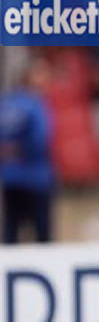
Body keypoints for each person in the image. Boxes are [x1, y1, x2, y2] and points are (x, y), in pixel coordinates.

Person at [0, 59, 55, 244]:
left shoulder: (5, 103)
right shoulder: (35, 105)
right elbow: (40, 140)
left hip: (10, 178)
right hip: (36, 179)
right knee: (42, 238)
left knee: (11, 234)